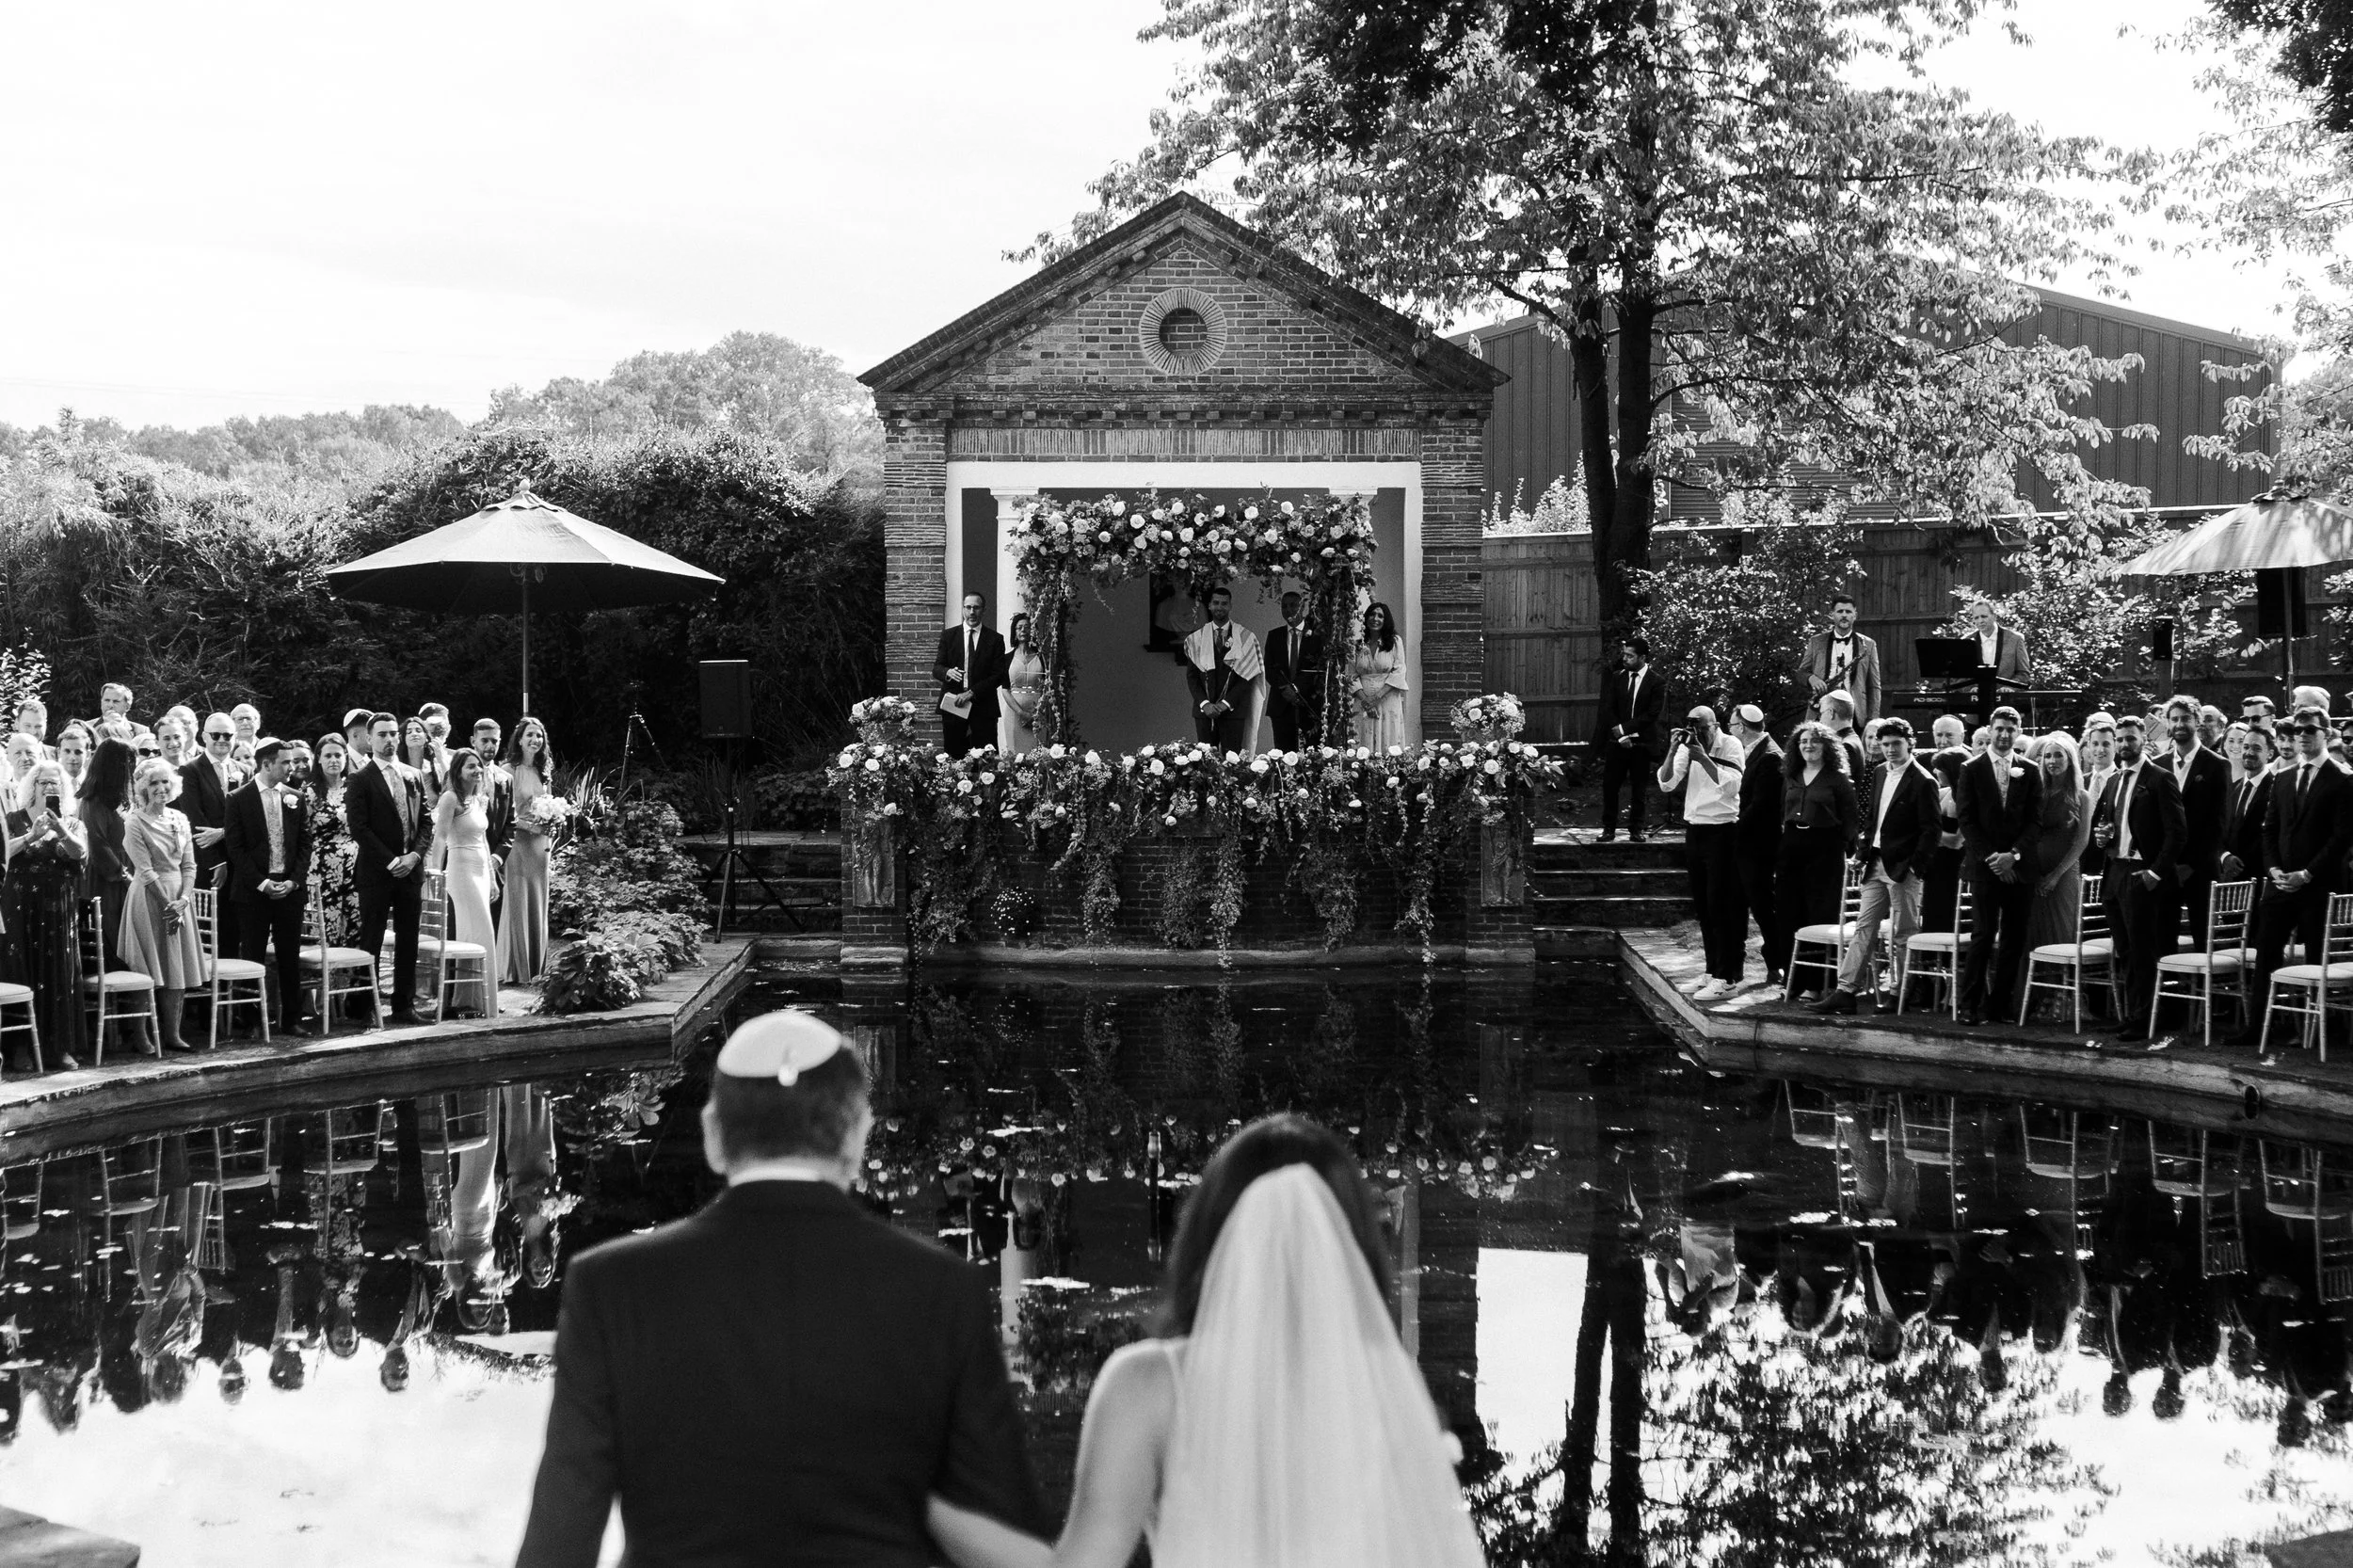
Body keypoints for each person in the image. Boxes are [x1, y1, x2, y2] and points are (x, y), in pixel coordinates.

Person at [517, 1009, 1045, 1568]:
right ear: (856, 1135)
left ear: (714, 1136)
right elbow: (1007, 1533)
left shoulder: (612, 1286)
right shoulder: (942, 1289)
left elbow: (560, 1540)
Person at [930, 1114, 1483, 1568]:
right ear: (1351, 1243)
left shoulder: (1147, 1386)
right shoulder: (1387, 1382)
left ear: (1210, 1232)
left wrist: (926, 1501)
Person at [2234, 708, 2353, 1052]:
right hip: (2280, 884)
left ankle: (2317, 1033)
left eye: (2310, 730)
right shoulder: (2283, 778)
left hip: (2318, 886)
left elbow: (2341, 838)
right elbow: (2269, 830)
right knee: (2265, 955)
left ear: (2325, 733)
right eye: (2297, 730)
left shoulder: (2342, 779)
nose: (2302, 735)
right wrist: (2273, 871)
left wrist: (2307, 873)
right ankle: (2257, 1029)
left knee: (2317, 960)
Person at [1814, 717, 1939, 1016]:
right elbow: (1872, 819)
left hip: (1904, 869)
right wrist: (1862, 852)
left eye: (1896, 744)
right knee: (1864, 927)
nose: (1891, 750)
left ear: (1910, 744)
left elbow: (1931, 831)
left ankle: (1900, 992)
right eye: (1885, 745)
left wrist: (1914, 869)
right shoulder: (1880, 772)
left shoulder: (1924, 781)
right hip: (1876, 862)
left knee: (1903, 933)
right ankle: (1846, 991)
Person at [2089, 714, 2185, 1045]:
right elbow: (2105, 823)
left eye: (2131, 738)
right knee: (2126, 950)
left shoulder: (2160, 778)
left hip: (2143, 874)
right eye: (2120, 739)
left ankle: (2145, 1020)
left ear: (2143, 739)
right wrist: (2103, 835)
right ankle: (2130, 1015)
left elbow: (2177, 833)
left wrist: (2155, 873)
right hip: (2115, 871)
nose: (2125, 744)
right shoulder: (2114, 780)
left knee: (2144, 950)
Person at [1955, 706, 2045, 1027]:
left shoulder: (2030, 770)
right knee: (1982, 935)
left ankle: (2000, 1005)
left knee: (2014, 938)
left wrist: (2014, 856)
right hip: (1985, 867)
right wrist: (1994, 858)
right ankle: (1969, 1004)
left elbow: (2035, 820)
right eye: (2000, 728)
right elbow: (1966, 819)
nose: (2005, 734)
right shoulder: (1971, 768)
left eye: (2011, 729)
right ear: (1990, 731)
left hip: (2020, 868)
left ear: (2018, 732)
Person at [224, 739, 315, 1037]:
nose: (293, 767)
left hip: (289, 890)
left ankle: (291, 1019)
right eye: (286, 762)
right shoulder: (238, 798)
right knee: (252, 955)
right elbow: (235, 849)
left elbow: (305, 844)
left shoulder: (295, 797)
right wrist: (262, 883)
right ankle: (250, 1020)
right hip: (253, 892)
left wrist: (293, 880)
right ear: (266, 764)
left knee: (290, 955)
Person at [1655, 706, 1747, 1000]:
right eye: (1694, 728)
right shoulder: (1688, 744)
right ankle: (1711, 970)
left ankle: (1727, 977)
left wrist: (1703, 758)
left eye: (1704, 728)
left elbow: (1733, 786)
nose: (1700, 734)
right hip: (1696, 831)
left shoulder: (1730, 744)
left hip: (1723, 831)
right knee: (1704, 907)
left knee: (1721, 905)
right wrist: (1673, 750)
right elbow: (1666, 783)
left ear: (1715, 724)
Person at [346, 712, 431, 1028]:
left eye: (394, 734)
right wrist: (391, 860)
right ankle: (363, 1007)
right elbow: (360, 828)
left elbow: (425, 822)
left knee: (408, 940)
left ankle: (403, 1005)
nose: (390, 740)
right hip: (376, 872)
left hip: (410, 871)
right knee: (371, 939)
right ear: (370, 739)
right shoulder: (360, 779)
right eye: (382, 734)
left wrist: (413, 857)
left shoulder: (413, 774)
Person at [120, 759, 206, 1054]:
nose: (160, 788)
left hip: (179, 899)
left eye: (165, 782)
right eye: (153, 783)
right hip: (148, 897)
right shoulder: (134, 821)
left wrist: (184, 900)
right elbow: (144, 870)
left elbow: (190, 865)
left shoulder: (180, 819)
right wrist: (168, 904)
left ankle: (172, 1033)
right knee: (147, 965)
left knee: (176, 966)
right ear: (144, 787)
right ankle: (140, 1034)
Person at [9, 760, 88, 1071]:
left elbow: (79, 853)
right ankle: (20, 1048)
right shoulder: (13, 819)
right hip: (19, 909)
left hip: (58, 910)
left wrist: (60, 831)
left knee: (58, 974)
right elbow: (3, 850)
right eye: (43, 782)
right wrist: (31, 836)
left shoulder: (72, 821)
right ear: (32, 786)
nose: (49, 787)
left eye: (55, 783)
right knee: (20, 970)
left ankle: (58, 1048)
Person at [1776, 721, 1858, 1004]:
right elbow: (1781, 812)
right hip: (1791, 848)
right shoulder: (1790, 775)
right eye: (1803, 741)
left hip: (1825, 850)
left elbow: (1850, 821)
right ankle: (1793, 980)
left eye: (1814, 741)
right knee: (1789, 914)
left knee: (1820, 915)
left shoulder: (1838, 778)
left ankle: (1818, 984)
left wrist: (1847, 852)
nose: (1808, 745)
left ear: (1827, 746)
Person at [424, 748, 500, 1018]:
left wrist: (492, 878)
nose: (477, 770)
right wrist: (435, 873)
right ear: (457, 771)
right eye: (471, 766)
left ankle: (478, 998)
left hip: (481, 869)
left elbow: (484, 839)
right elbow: (440, 838)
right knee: (477, 932)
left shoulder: (477, 799)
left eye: (478, 766)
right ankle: (473, 997)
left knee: (480, 933)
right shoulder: (449, 798)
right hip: (461, 870)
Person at [2162, 695, 2232, 949]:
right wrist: (2166, 863)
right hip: (2165, 868)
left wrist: (2189, 864)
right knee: (2163, 940)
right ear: (2167, 723)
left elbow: (2218, 823)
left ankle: (2204, 989)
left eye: (2185, 719)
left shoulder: (2217, 765)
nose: (2180, 724)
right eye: (2174, 719)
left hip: (2201, 869)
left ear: (2198, 721)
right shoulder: (2157, 765)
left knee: (2205, 941)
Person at [2023, 733, 2094, 962]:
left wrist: (2055, 876)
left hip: (2063, 875)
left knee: (2061, 933)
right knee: (2031, 933)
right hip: (2033, 872)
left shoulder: (2081, 797)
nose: (2052, 761)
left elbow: (2082, 841)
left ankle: (2058, 994)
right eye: (2047, 756)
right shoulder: (2036, 794)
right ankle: (2032, 994)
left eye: (2058, 756)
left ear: (2070, 759)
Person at [1729, 705, 1786, 987]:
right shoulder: (1751, 751)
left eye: (1731, 725)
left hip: (1759, 844)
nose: (1729, 730)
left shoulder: (1770, 757)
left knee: (1763, 904)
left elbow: (1761, 806)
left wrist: (1731, 826)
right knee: (1747, 903)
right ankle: (1740, 964)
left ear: (1742, 727)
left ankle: (1777, 961)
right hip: (1746, 842)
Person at [500, 718, 556, 984]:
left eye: (539, 736)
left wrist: (554, 820)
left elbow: (550, 804)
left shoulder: (544, 772)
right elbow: (502, 813)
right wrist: (525, 825)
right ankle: (518, 968)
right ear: (519, 739)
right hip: (518, 842)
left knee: (538, 899)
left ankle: (538, 966)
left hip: (541, 844)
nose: (535, 740)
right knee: (518, 898)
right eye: (530, 735)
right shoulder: (507, 770)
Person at [1593, 635, 1665, 843]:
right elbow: (1609, 708)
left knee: (1639, 788)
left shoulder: (1656, 682)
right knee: (1610, 786)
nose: (1625, 658)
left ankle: (1636, 829)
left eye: (1630, 656)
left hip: (1642, 743)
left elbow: (1652, 714)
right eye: (1624, 654)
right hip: (1618, 743)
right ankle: (1609, 829)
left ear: (1642, 657)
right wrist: (1621, 734)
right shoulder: (1617, 677)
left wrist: (1626, 728)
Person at [1183, 586, 1264, 755]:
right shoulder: (1195, 639)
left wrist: (1225, 704)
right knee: (1205, 764)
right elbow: (1192, 678)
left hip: (1232, 712)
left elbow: (1247, 678)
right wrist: (1205, 704)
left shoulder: (1246, 638)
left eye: (1224, 603)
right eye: (1216, 603)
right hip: (1205, 712)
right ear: (1210, 605)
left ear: (1230, 606)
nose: (1220, 607)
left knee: (1233, 764)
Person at [76, 738, 136, 969]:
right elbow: (96, 843)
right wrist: (122, 874)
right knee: (112, 934)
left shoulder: (121, 799)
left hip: (126, 869)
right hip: (107, 879)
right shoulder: (92, 801)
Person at [934, 594, 1008, 760]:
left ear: (984, 610)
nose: (972, 612)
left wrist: (971, 692)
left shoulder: (995, 639)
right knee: (953, 758)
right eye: (968, 607)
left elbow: (998, 675)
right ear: (963, 609)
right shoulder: (949, 636)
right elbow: (936, 668)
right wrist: (947, 673)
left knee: (986, 760)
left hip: (984, 706)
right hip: (954, 705)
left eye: (976, 607)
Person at [307, 732, 362, 948]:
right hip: (322, 870)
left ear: (346, 758)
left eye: (338, 755)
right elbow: (303, 834)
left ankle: (356, 978)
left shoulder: (357, 789)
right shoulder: (309, 793)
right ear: (318, 758)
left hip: (355, 868)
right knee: (326, 925)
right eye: (328, 755)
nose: (333, 760)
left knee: (357, 922)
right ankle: (327, 979)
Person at [1796, 592, 1882, 728]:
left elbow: (1874, 686)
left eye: (1848, 612)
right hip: (1822, 708)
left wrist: (1872, 720)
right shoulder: (1816, 642)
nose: (1844, 615)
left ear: (1855, 615)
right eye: (1840, 611)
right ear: (1832, 615)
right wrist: (1812, 679)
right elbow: (1801, 673)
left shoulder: (1868, 645)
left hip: (1855, 712)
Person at [178, 712, 239, 890]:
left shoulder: (245, 770)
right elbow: (195, 820)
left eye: (227, 735)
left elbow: (250, 816)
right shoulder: (189, 770)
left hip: (242, 861)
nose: (222, 739)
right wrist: (216, 863)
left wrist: (223, 832)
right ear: (204, 737)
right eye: (215, 735)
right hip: (208, 863)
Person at [1923, 714, 1971, 934]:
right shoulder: (1941, 793)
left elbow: (1956, 842)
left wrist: (1929, 834)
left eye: (1939, 769)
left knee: (1949, 920)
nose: (1935, 772)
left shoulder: (1967, 798)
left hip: (1955, 870)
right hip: (1935, 868)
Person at [1264, 591, 1323, 753]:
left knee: (1312, 753)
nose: (1288, 609)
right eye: (1284, 606)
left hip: (1308, 703)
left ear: (1302, 606)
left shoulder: (1317, 636)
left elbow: (1317, 669)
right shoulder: (1274, 636)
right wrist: (1285, 689)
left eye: (1293, 605)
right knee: (1284, 754)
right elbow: (1270, 669)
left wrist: (1297, 689)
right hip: (1281, 704)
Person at [2220, 725, 2278, 888]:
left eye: (2256, 748)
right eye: (2246, 747)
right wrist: (2225, 856)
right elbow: (2221, 829)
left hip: (2262, 881)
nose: (2249, 752)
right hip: (2229, 879)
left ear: (2270, 754)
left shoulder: (2277, 788)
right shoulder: (2234, 788)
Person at [1349, 600, 1409, 753]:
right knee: (1363, 743)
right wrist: (1366, 701)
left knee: (1388, 743)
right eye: (1372, 615)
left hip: (1387, 699)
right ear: (1366, 618)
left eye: (1380, 616)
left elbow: (1399, 671)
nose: (1375, 619)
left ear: (1385, 620)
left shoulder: (1394, 642)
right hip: (1363, 701)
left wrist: (1376, 698)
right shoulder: (1357, 645)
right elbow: (1351, 675)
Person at [998, 613, 1046, 757]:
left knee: (1036, 756)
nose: (1023, 630)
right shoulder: (1006, 659)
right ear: (1014, 632)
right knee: (1015, 757)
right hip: (1014, 714)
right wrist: (1021, 713)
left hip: (1038, 715)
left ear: (1033, 631)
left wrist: (1036, 714)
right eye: (1019, 628)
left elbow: (1047, 688)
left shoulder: (1042, 658)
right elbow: (1005, 690)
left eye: (1027, 627)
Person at [1966, 600, 2032, 682]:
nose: (1980, 621)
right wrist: (1971, 689)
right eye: (1976, 618)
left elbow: (2024, 674)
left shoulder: (2015, 639)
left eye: (1984, 616)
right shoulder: (1966, 641)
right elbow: (1959, 676)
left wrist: (2009, 688)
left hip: (2007, 694)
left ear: (1994, 616)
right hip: (1975, 695)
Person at [1817, 691, 1867, 778]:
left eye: (1821, 713)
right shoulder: (1851, 740)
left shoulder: (1846, 745)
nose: (1820, 720)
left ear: (1831, 713)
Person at [56, 724, 91, 810]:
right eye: (67, 751)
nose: (72, 757)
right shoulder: (51, 783)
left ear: (88, 754)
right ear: (59, 752)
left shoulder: (95, 783)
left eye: (78, 752)